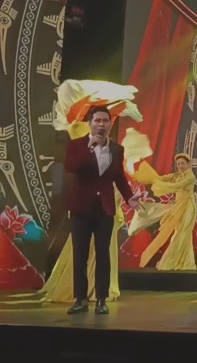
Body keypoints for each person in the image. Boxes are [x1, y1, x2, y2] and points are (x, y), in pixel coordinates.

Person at [63, 105, 140, 315]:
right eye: (97, 120)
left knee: (103, 254)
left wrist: (129, 197)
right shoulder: (76, 145)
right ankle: (80, 299)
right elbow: (71, 167)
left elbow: (119, 177)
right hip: (81, 209)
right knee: (80, 254)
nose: (101, 125)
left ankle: (101, 300)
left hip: (104, 209)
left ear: (110, 124)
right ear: (90, 124)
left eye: (105, 121)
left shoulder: (116, 149)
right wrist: (89, 148)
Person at [133, 153, 197, 271]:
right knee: (180, 233)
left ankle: (172, 261)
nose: (180, 166)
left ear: (188, 164)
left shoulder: (190, 177)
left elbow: (178, 186)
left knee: (183, 233)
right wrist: (153, 178)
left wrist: (160, 185)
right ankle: (183, 262)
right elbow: (162, 178)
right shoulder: (178, 175)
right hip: (178, 207)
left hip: (188, 207)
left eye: (183, 163)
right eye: (178, 164)